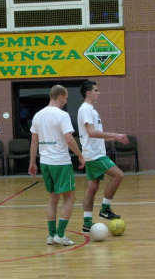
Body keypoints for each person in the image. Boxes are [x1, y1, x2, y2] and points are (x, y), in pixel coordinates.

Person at [28, 84, 85, 246]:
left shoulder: (38, 115)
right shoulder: (62, 115)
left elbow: (34, 141)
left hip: (45, 162)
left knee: (53, 198)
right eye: (66, 98)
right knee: (70, 197)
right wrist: (80, 155)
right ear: (60, 97)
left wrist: (32, 162)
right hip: (60, 162)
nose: (66, 101)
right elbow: (69, 139)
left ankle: (51, 235)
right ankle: (60, 234)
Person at [77, 80, 129, 233]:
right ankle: (105, 209)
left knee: (92, 188)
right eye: (96, 90)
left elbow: (94, 135)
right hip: (94, 155)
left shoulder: (91, 110)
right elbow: (91, 132)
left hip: (94, 152)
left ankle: (87, 223)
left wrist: (112, 138)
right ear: (88, 93)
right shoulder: (85, 109)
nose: (99, 93)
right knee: (118, 175)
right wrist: (115, 134)